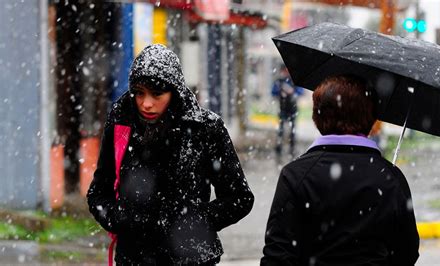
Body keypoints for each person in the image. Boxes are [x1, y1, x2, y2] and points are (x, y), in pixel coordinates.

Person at [87, 44, 254, 265]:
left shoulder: (205, 129)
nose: (146, 103)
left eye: (157, 94)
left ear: (174, 92)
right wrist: (119, 218)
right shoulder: (121, 121)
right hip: (134, 258)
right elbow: (98, 192)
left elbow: (240, 198)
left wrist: (195, 221)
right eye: (139, 93)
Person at [261, 75, 419, 265]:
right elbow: (407, 252)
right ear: (370, 119)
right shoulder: (391, 178)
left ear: (317, 117)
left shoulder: (295, 175)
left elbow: (277, 255)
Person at [271, 65, 304, 158]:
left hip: (293, 109)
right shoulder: (279, 82)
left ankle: (292, 148)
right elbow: (273, 92)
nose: (286, 73)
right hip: (283, 109)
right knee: (281, 130)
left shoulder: (294, 81)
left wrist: (292, 92)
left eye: (287, 71)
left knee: (292, 130)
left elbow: (300, 92)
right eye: (284, 71)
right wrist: (280, 92)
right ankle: (279, 147)